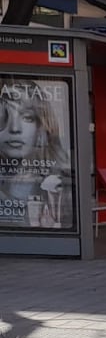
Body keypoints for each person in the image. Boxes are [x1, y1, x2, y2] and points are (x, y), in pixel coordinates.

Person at [0, 77, 72, 230]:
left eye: (27, 117)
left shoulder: (59, 181)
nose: (14, 128)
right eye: (3, 117)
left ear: (41, 126)